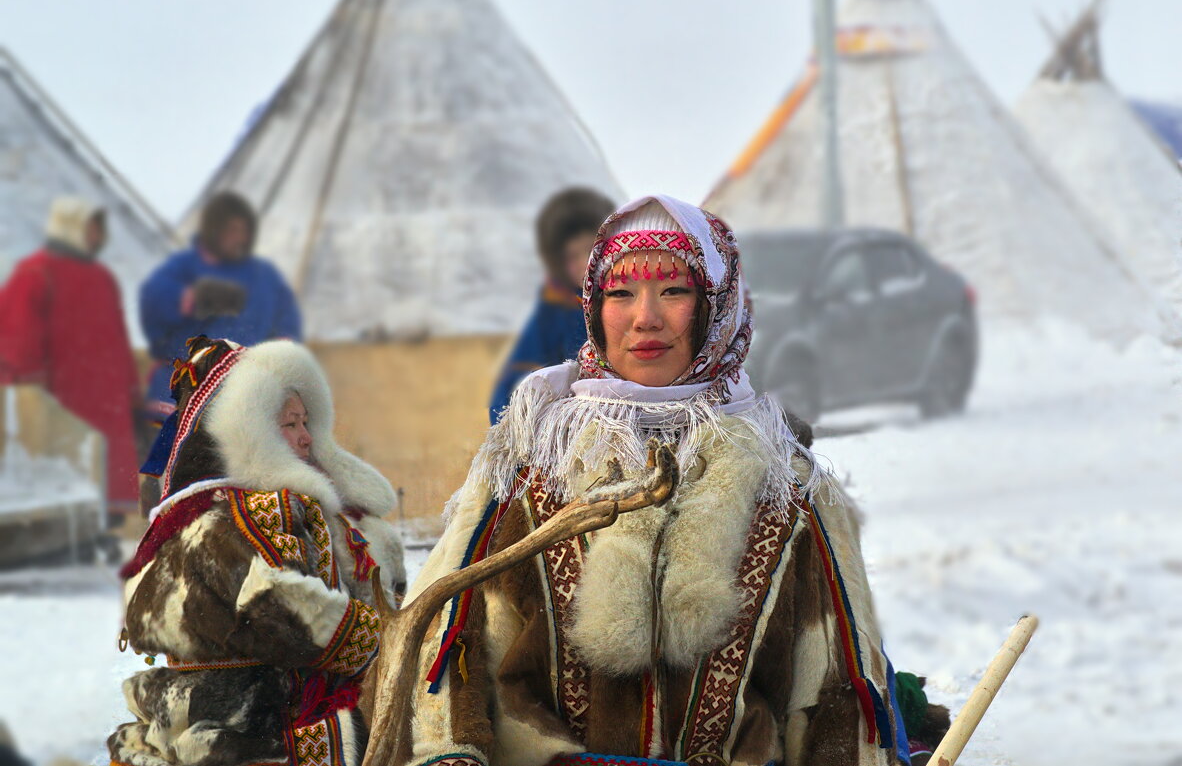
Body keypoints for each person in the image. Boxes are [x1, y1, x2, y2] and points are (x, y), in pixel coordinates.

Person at [404, 195, 914, 766]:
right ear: (594, 308)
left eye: (674, 291)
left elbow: (834, 687)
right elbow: (451, 652)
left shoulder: (785, 486)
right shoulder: (528, 470)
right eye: (620, 294)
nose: (645, 318)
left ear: (716, 307)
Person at [109, 336, 406, 766]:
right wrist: (387, 636)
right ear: (251, 428)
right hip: (245, 729)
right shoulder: (238, 517)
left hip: (196, 714)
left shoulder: (188, 517)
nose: (307, 439)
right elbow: (282, 613)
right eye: (290, 425)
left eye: (307, 424)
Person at [0, 196, 141, 518]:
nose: (97, 235)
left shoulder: (102, 277)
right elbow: (15, 336)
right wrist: (30, 392)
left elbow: (118, 337)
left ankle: (109, 526)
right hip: (63, 396)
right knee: (70, 477)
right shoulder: (34, 272)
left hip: (105, 394)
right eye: (91, 227)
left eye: (98, 228)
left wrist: (130, 389)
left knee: (109, 476)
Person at [139, 191, 301, 424]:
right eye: (232, 230)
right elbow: (153, 305)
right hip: (182, 392)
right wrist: (193, 298)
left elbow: (287, 327)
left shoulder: (264, 277)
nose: (238, 238)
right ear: (213, 229)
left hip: (242, 399)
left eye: (243, 231)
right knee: (171, 456)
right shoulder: (184, 267)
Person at [488, 187, 615, 422]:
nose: (583, 263)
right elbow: (509, 390)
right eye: (571, 257)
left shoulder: (631, 295)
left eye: (590, 249)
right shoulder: (555, 308)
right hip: (572, 422)